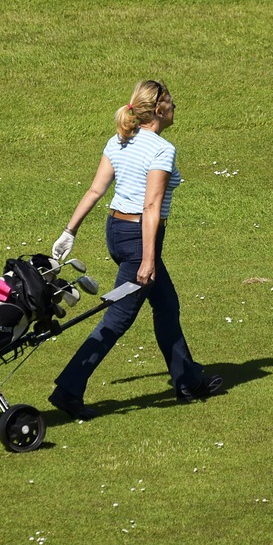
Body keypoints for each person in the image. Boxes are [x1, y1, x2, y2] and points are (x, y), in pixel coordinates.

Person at [48, 79, 223, 420]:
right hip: (138, 238)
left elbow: (96, 191)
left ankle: (187, 381)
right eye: (171, 101)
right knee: (118, 318)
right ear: (158, 110)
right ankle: (68, 389)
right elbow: (152, 205)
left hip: (116, 231)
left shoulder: (120, 140)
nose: (175, 106)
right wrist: (147, 258)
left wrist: (70, 230)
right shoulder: (161, 149)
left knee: (167, 305)